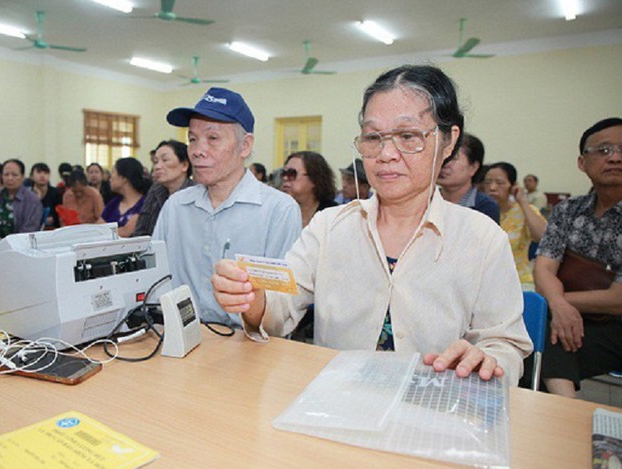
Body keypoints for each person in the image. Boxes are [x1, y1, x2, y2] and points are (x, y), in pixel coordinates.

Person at [212, 65, 532, 383]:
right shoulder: (330, 227)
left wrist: (488, 359)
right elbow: (279, 310)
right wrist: (253, 301)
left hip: (433, 409)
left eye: (408, 136)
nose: (386, 154)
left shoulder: (482, 238)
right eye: (373, 137)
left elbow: (506, 344)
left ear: (448, 142)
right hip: (337, 401)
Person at [153, 87, 302, 328]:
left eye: (212, 138)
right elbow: (155, 284)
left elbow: (282, 308)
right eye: (192, 139)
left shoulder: (278, 210)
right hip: (181, 338)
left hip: (251, 346)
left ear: (245, 146)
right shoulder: (176, 207)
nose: (197, 151)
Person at [532, 117, 622, 398]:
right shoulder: (567, 210)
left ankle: (564, 411)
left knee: (540, 347)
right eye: (604, 150)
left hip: (615, 327)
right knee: (526, 345)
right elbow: (544, 268)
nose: (616, 158)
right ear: (582, 162)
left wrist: (558, 303)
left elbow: (618, 300)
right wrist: (558, 305)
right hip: (568, 320)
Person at [484, 162, 547, 285]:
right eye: (487, 182)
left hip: (519, 280)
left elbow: (543, 237)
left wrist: (523, 202)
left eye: (500, 182)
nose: (492, 187)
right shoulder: (480, 211)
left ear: (513, 186)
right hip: (485, 281)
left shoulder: (525, 211)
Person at [132, 139, 195, 237]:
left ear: (184, 165)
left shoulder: (195, 193)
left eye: (165, 160)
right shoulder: (156, 190)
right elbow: (141, 230)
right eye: (155, 161)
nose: (157, 166)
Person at [437, 133, 500, 224]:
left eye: (453, 158)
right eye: (443, 156)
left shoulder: (485, 206)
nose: (445, 163)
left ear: (473, 168)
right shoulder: (425, 201)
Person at [281, 151, 337, 227]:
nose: (285, 178)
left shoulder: (334, 215)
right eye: (283, 173)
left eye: (292, 173)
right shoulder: (278, 212)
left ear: (314, 179)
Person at [0, 158, 42, 238]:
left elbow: (30, 230)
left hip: (18, 245)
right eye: (6, 174)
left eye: (14, 175)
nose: (9, 178)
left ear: (23, 177)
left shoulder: (32, 200)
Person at [99, 158, 149, 237]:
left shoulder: (145, 204)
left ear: (124, 178)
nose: (110, 178)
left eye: (113, 172)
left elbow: (126, 232)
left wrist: (104, 232)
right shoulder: (114, 203)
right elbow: (98, 228)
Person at [29, 162, 61, 228]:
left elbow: (60, 214)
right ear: (31, 176)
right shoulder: (27, 194)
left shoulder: (56, 193)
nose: (42, 175)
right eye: (39, 172)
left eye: (46, 173)